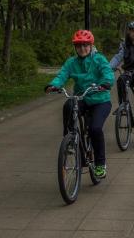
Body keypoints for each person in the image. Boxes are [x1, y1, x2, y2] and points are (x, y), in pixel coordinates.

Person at [45, 30, 114, 179]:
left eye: (85, 45)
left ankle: (100, 164)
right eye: (79, 46)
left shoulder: (99, 59)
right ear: (75, 47)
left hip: (100, 100)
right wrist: (53, 85)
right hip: (81, 98)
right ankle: (70, 140)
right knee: (68, 105)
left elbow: (108, 73)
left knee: (95, 128)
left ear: (91, 46)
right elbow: (62, 75)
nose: (82, 48)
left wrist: (105, 83)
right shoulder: (71, 62)